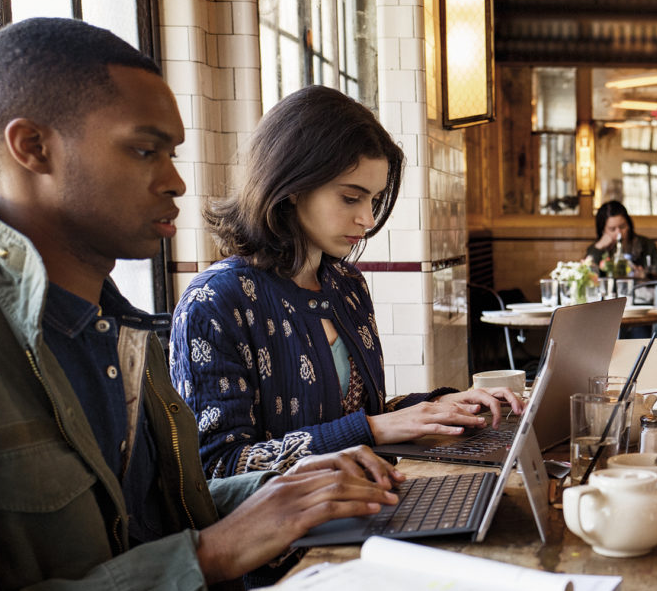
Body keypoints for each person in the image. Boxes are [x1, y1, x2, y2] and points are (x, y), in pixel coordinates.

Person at [0, 18, 484, 591]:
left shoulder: (109, 329)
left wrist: (294, 491)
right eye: (145, 150)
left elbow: (173, 513)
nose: (175, 180)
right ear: (31, 146)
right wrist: (212, 548)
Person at [172, 85, 523, 478]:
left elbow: (357, 418)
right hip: (290, 537)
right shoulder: (214, 302)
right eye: (350, 198)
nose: (368, 220)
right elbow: (218, 468)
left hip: (367, 501)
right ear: (291, 187)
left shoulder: (346, 285)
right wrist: (374, 428)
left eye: (373, 200)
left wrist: (445, 405)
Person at [584, 199, 657, 279]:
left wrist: (645, 275)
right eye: (612, 229)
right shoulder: (597, 249)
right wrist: (598, 247)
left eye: (622, 227)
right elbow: (586, 277)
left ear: (629, 225)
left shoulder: (646, 245)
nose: (619, 233)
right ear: (602, 230)